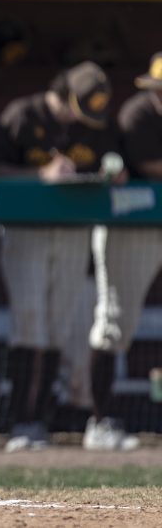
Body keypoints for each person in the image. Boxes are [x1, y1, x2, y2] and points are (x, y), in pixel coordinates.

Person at [0, 61, 120, 452]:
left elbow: (108, 165)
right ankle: (21, 420)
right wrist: (40, 176)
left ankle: (41, 419)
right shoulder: (22, 115)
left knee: (59, 325)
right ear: (65, 94)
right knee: (30, 323)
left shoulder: (93, 127)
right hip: (26, 230)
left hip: (74, 229)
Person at [83, 53, 162, 451]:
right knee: (115, 321)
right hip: (130, 225)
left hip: (154, 226)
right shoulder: (138, 114)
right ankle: (99, 421)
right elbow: (151, 166)